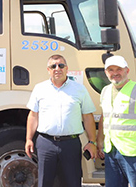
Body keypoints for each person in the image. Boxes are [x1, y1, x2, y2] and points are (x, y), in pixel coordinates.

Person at [25, 54, 97, 187]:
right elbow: (33, 115)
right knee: (44, 182)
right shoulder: (39, 89)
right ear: (48, 70)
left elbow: (88, 116)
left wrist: (92, 141)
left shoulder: (79, 89)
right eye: (53, 66)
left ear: (67, 69)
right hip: (46, 143)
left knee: (72, 182)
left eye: (61, 65)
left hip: (71, 144)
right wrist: (29, 139)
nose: (57, 68)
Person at [97, 55, 136, 187]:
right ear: (106, 72)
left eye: (119, 69)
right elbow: (105, 117)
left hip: (134, 152)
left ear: (127, 70)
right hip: (111, 150)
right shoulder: (105, 91)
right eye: (111, 70)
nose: (115, 73)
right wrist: (100, 141)